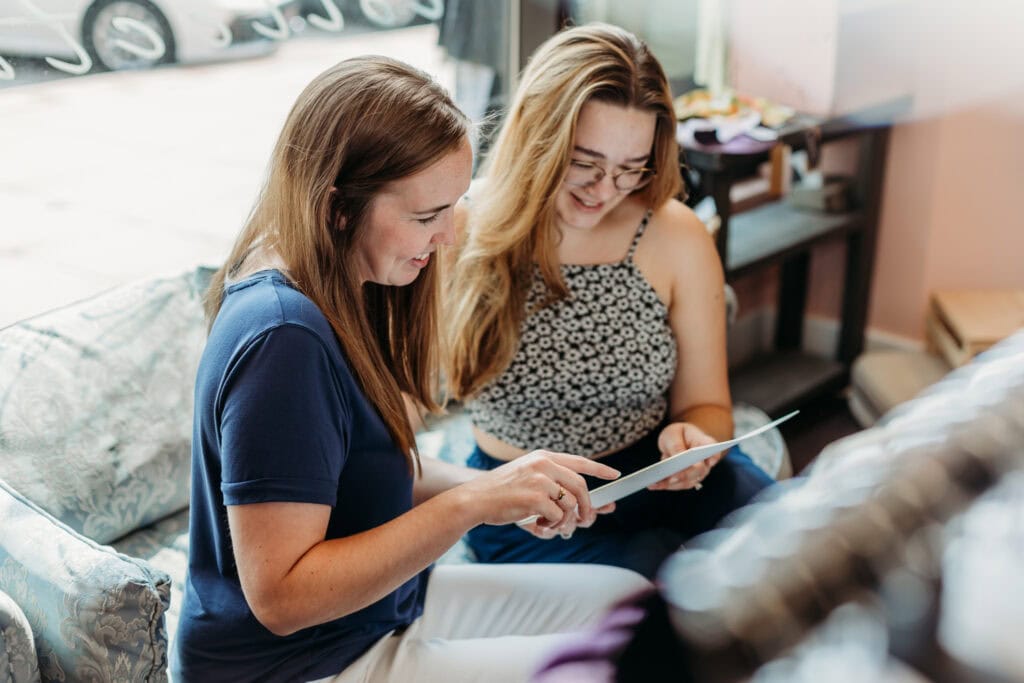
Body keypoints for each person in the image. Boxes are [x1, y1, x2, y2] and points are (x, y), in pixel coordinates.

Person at [170, 56, 650, 683]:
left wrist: (513, 487)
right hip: (300, 665)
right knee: (627, 662)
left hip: (371, 618)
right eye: (427, 216)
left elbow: (362, 465)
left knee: (633, 606)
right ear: (337, 208)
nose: (449, 236)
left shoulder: (339, 281)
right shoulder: (283, 340)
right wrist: (472, 504)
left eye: (453, 207)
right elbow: (283, 597)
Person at [445, 23, 775, 580]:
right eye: (584, 162)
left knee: (795, 549)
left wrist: (695, 439)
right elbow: (391, 429)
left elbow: (708, 406)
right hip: (530, 509)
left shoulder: (674, 234)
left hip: (660, 474)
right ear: (537, 138)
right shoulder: (458, 229)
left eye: (629, 168)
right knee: (649, 603)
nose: (604, 191)